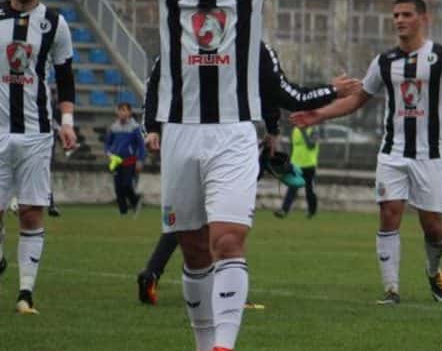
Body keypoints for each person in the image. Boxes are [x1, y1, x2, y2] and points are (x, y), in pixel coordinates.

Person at [80, 0, 345, 351]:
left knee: (228, 239)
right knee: (193, 249)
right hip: (180, 134)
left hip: (233, 133)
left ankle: (226, 349)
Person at [293, 0, 442, 305]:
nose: (399, 20)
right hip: (393, 152)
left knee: (433, 228)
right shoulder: (384, 62)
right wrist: (319, 114)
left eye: (406, 14)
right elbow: (357, 99)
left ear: (423, 19)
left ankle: (433, 270)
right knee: (389, 213)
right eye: (396, 15)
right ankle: (391, 289)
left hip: (430, 155)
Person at [136, 41, 353, 305]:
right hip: (230, 146)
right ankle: (228, 290)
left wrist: (152, 128)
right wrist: (332, 90)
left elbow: (155, 84)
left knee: (192, 220)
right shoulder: (251, 45)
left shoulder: (183, 38)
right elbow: (286, 95)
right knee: (222, 222)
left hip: (186, 143)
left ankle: (155, 273)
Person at [0, 0, 77, 315]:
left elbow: (65, 77)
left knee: (31, 212)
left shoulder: (54, 23)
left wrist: (67, 123)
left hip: (37, 133)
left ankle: (25, 293)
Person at [105, 102, 146, 216]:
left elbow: (141, 145)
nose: (122, 112)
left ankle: (135, 200)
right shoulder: (113, 127)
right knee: (118, 188)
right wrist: (109, 154)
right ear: (117, 112)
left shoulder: (135, 127)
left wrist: (140, 160)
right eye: (120, 110)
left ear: (129, 112)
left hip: (130, 160)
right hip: (116, 161)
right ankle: (123, 211)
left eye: (124, 110)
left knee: (126, 184)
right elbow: (107, 144)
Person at [274, 124, 320, 219]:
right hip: (296, 165)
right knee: (292, 188)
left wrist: (303, 131)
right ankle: (284, 210)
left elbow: (311, 145)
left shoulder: (313, 130)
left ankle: (312, 211)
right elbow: (293, 147)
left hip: (309, 165)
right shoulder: (295, 130)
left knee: (309, 190)